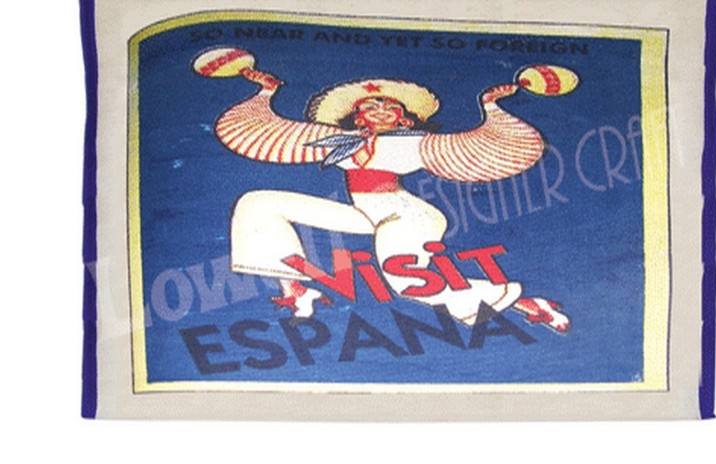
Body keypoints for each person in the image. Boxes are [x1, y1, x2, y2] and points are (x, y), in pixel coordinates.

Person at [213, 67, 570, 332]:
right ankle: (294, 288)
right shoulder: (338, 140)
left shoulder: (417, 142)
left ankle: (528, 304)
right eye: (372, 105)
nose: (381, 110)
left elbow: (489, 149)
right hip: (365, 213)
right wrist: (265, 91)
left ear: (406, 118)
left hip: (407, 215)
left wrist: (491, 107)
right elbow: (265, 132)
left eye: (391, 108)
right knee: (258, 203)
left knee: (407, 284)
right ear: (356, 114)